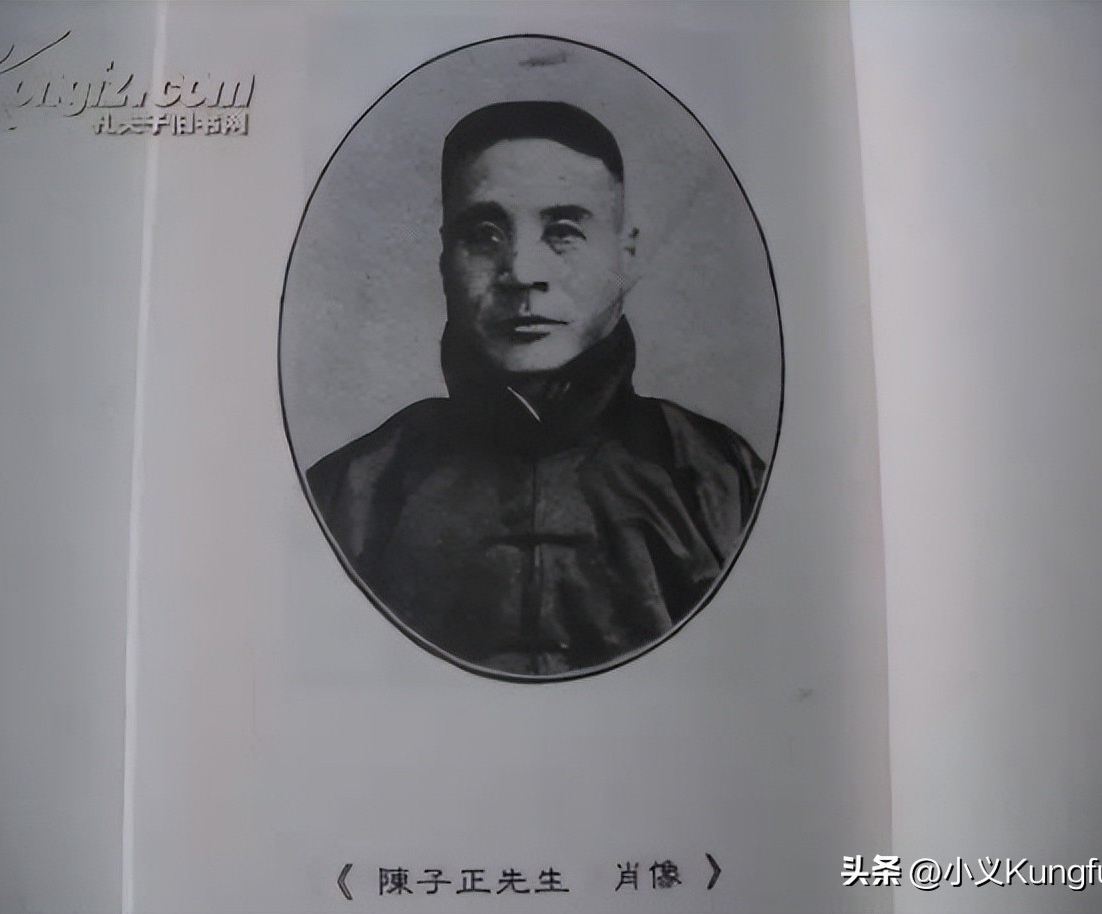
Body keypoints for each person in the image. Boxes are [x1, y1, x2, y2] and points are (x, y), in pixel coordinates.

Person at [306, 101, 765, 677]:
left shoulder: (721, 484)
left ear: (626, 256)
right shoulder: (352, 493)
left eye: (563, 232)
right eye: (484, 235)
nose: (522, 272)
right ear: (445, 260)